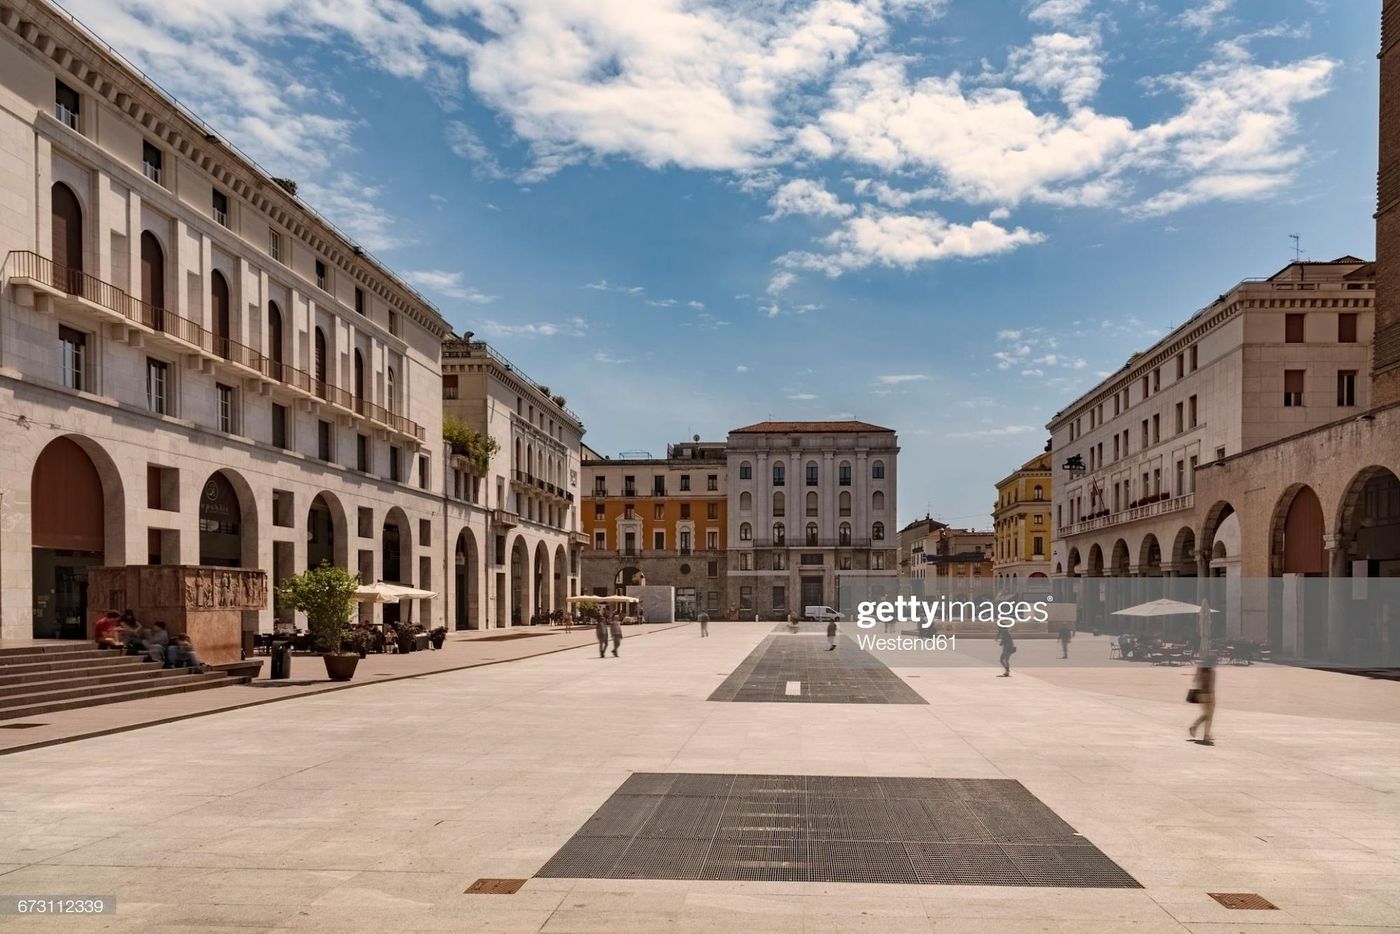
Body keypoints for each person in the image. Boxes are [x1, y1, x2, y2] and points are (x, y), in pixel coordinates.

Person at [1188, 654, 1217, 745]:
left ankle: (1203, 732)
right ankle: (1202, 732)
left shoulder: (1200, 669)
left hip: (1202, 695)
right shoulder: (1212, 671)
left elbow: (1195, 681)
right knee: (1209, 716)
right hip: (1210, 695)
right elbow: (1212, 685)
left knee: (1206, 715)